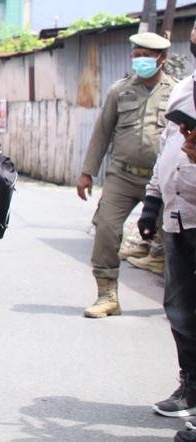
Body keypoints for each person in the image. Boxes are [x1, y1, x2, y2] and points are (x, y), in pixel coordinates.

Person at [75, 31, 174, 318]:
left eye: (145, 56)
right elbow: (102, 132)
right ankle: (107, 296)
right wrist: (87, 172)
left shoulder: (177, 92)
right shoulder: (120, 91)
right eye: (136, 55)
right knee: (106, 227)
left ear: (162, 59)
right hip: (123, 175)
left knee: (172, 237)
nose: (139, 61)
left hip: (163, 179)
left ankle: (176, 301)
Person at [138, 22, 196, 440]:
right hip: (177, 217)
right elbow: (168, 151)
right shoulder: (186, 89)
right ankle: (190, 386)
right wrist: (153, 201)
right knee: (178, 308)